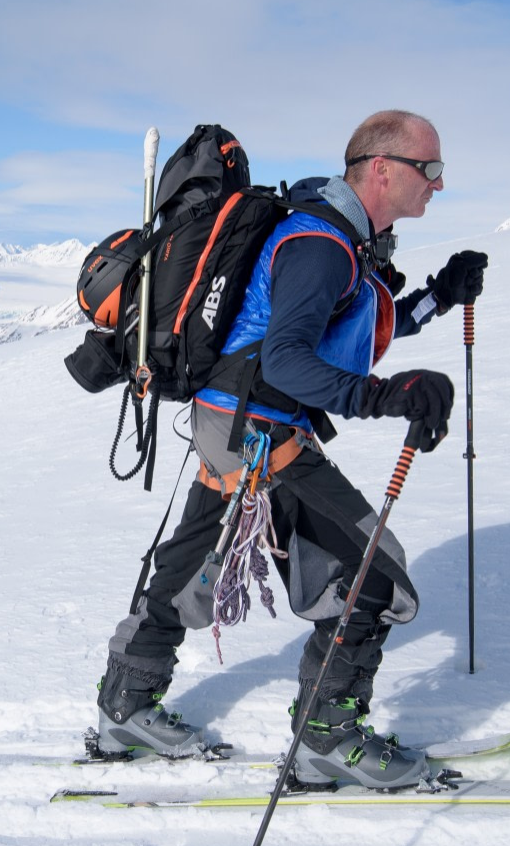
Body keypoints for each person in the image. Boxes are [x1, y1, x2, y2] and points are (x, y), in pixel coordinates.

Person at [93, 111, 488, 788]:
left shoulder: (343, 239)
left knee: (190, 563)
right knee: (373, 575)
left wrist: (440, 298)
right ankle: (327, 739)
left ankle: (125, 703)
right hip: (259, 431)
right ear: (384, 167)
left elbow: (347, 335)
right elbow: (286, 363)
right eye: (431, 169)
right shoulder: (323, 246)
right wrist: (388, 397)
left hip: (232, 425)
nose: (440, 183)